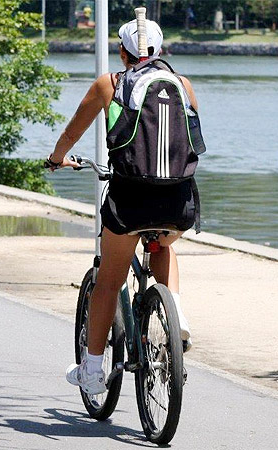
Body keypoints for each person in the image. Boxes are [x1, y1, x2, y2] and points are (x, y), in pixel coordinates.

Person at [47, 19, 199, 395]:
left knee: (109, 282)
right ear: (160, 53)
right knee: (164, 243)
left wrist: (57, 158)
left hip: (129, 201)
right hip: (178, 200)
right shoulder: (183, 86)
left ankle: (93, 371)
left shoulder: (109, 85)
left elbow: (73, 131)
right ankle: (174, 309)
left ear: (122, 52)